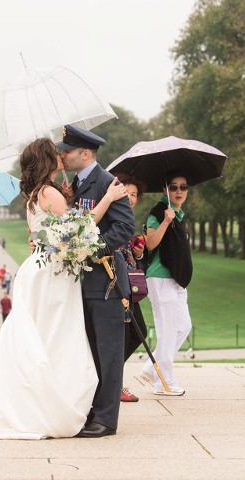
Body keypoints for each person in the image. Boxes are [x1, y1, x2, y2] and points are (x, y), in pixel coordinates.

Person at [0, 137, 127, 439]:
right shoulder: (50, 192)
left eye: (64, 151)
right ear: (48, 161)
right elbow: (81, 228)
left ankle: (44, 401)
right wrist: (107, 200)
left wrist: (68, 198)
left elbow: (59, 229)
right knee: (57, 338)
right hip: (52, 274)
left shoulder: (40, 193)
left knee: (43, 339)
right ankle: (53, 405)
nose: (61, 155)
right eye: (56, 153)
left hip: (40, 268)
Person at [57, 125, 135, 437]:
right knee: (90, 352)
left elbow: (125, 227)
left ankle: (106, 419)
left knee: (110, 353)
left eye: (68, 150)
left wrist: (93, 248)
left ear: (85, 153)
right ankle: (92, 412)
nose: (62, 155)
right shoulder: (72, 186)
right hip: (82, 285)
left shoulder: (107, 182)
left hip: (106, 283)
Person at [139, 171, 193, 396]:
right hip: (160, 278)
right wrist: (166, 221)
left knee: (183, 326)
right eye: (173, 187)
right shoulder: (158, 212)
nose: (179, 191)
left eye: (183, 187)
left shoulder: (178, 213)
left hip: (176, 281)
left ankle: (151, 368)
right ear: (165, 190)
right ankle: (164, 382)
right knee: (167, 332)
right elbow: (150, 243)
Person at [112, 173, 148, 403]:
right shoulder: (114, 216)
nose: (131, 197)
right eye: (126, 192)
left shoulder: (128, 217)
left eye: (134, 194)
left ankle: (111, 377)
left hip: (129, 285)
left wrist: (137, 252)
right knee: (131, 333)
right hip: (116, 285)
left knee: (137, 332)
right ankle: (113, 380)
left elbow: (131, 257)